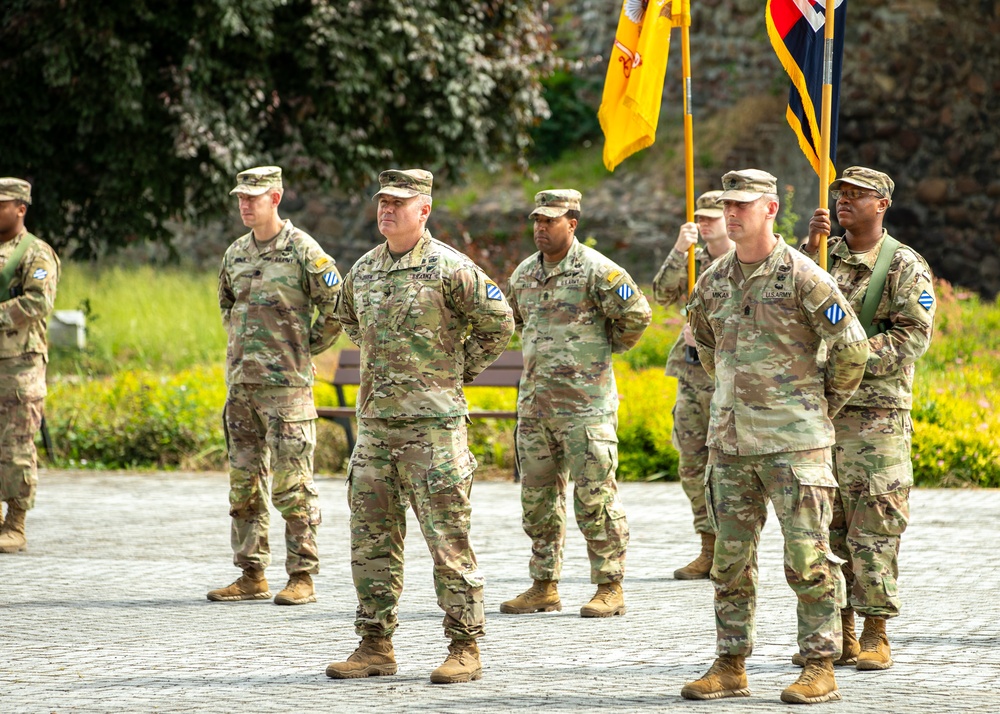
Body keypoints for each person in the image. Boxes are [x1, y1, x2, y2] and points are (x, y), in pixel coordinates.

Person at [681, 169, 869, 705]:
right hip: (733, 444)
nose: (733, 213)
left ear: (771, 208)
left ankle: (819, 664)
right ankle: (731, 662)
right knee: (730, 562)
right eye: (727, 205)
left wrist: (817, 407)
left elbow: (851, 347)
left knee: (809, 560)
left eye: (744, 204)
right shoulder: (713, 279)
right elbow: (710, 345)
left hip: (794, 445)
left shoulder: (804, 276)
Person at [326, 169, 513, 684]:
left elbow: (500, 324)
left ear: (424, 210)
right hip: (376, 429)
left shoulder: (451, 268)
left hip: (433, 430)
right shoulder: (363, 271)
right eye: (382, 201)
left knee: (447, 540)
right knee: (370, 541)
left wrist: (455, 370)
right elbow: (348, 321)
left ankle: (464, 645)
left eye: (399, 203)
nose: (387, 210)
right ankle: (374, 644)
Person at [790, 166, 935, 672]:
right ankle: (840, 632)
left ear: (883, 204)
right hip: (820, 414)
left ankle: (876, 632)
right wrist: (808, 249)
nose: (845, 200)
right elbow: (789, 309)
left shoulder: (903, 266)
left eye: (858, 195)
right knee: (824, 527)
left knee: (874, 526)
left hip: (875, 418)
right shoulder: (818, 257)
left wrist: (848, 357)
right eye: (841, 193)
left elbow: (911, 336)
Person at [499, 189, 651, 619]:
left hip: (586, 408)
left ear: (573, 223)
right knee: (538, 500)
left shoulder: (598, 271)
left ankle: (609, 584)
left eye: (550, 220)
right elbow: (517, 320)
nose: (541, 228)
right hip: (536, 407)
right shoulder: (525, 274)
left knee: (595, 498)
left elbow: (636, 315)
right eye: (537, 221)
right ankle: (543, 584)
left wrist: (601, 352)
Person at [209, 166, 342, 606]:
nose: (246, 204)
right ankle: (251, 573)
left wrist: (303, 347)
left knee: (292, 484)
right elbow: (227, 303)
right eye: (241, 198)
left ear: (276, 197)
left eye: (255, 196)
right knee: (244, 484)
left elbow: (337, 307)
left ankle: (302, 575)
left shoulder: (303, 250)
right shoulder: (235, 253)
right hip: (242, 388)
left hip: (287, 390)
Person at [651, 190, 733, 580]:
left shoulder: (745, 261)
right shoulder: (692, 261)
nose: (704, 223)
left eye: (711, 218)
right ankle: (708, 546)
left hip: (731, 380)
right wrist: (678, 248)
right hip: (692, 378)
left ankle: (733, 550)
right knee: (691, 462)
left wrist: (703, 336)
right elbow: (662, 294)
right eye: (699, 217)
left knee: (729, 470)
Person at [0, 178, 60, 554]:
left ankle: (15, 523)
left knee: (17, 444)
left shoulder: (35, 253)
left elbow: (37, 302)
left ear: (21, 208)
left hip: (19, 365)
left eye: (1, 203)